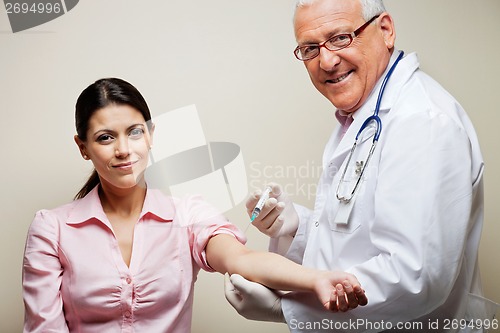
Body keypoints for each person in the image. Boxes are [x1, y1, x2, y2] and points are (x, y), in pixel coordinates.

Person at [225, 0, 492, 331]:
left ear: (385, 30)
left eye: (340, 37)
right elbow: (357, 238)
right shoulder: (363, 115)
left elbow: (415, 276)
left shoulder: (421, 122)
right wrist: (294, 228)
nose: (326, 60)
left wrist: (287, 308)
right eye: (310, 48)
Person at [21, 78, 368, 333]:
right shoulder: (52, 229)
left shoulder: (188, 215)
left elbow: (241, 259)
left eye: (135, 132)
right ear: (83, 147)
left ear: (151, 135)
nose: (124, 149)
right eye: (105, 138)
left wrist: (317, 279)